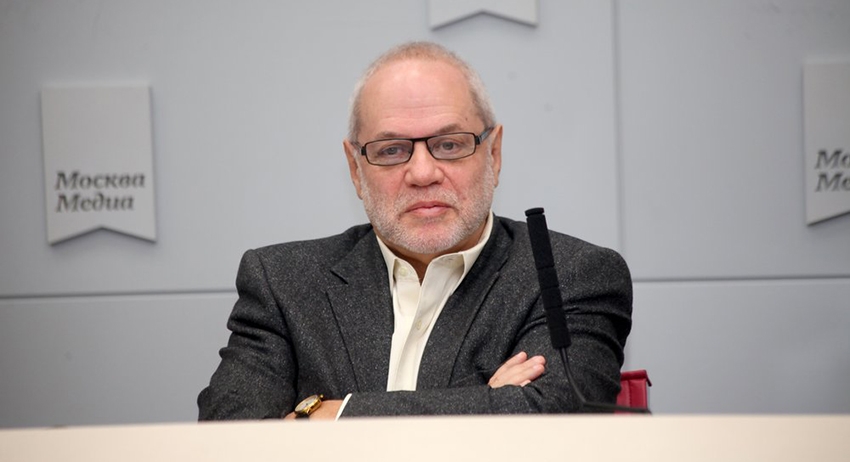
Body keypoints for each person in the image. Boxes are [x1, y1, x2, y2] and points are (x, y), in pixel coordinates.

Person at [198, 41, 632, 420]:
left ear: (494, 154)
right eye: (391, 150)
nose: (423, 173)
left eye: (449, 144)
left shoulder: (569, 276)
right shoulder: (283, 282)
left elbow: (557, 416)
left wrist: (333, 415)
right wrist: (486, 404)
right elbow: (231, 435)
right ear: (355, 169)